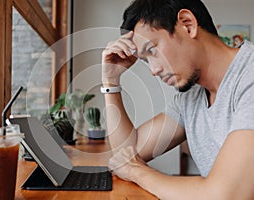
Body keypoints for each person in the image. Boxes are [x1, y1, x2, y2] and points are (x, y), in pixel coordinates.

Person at [101, 0, 254, 199]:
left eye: (152, 50)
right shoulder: (191, 99)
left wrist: (137, 171)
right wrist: (110, 81)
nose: (153, 70)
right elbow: (126, 155)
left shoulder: (249, 77)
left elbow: (227, 195)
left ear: (187, 24)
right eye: (146, 60)